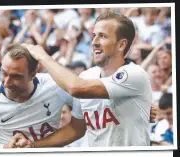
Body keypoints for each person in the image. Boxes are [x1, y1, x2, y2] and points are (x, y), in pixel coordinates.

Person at [16, 11, 153, 147]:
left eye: (102, 36)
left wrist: (43, 56)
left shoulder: (134, 74)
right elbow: (76, 129)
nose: (94, 42)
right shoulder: (86, 76)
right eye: (93, 36)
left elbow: (75, 88)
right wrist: (33, 145)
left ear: (121, 45)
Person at [0, 43, 73, 148]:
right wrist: (6, 148)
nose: (6, 83)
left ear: (33, 75)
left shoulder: (55, 85)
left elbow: (79, 125)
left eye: (16, 76)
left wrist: (35, 146)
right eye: (3, 73)